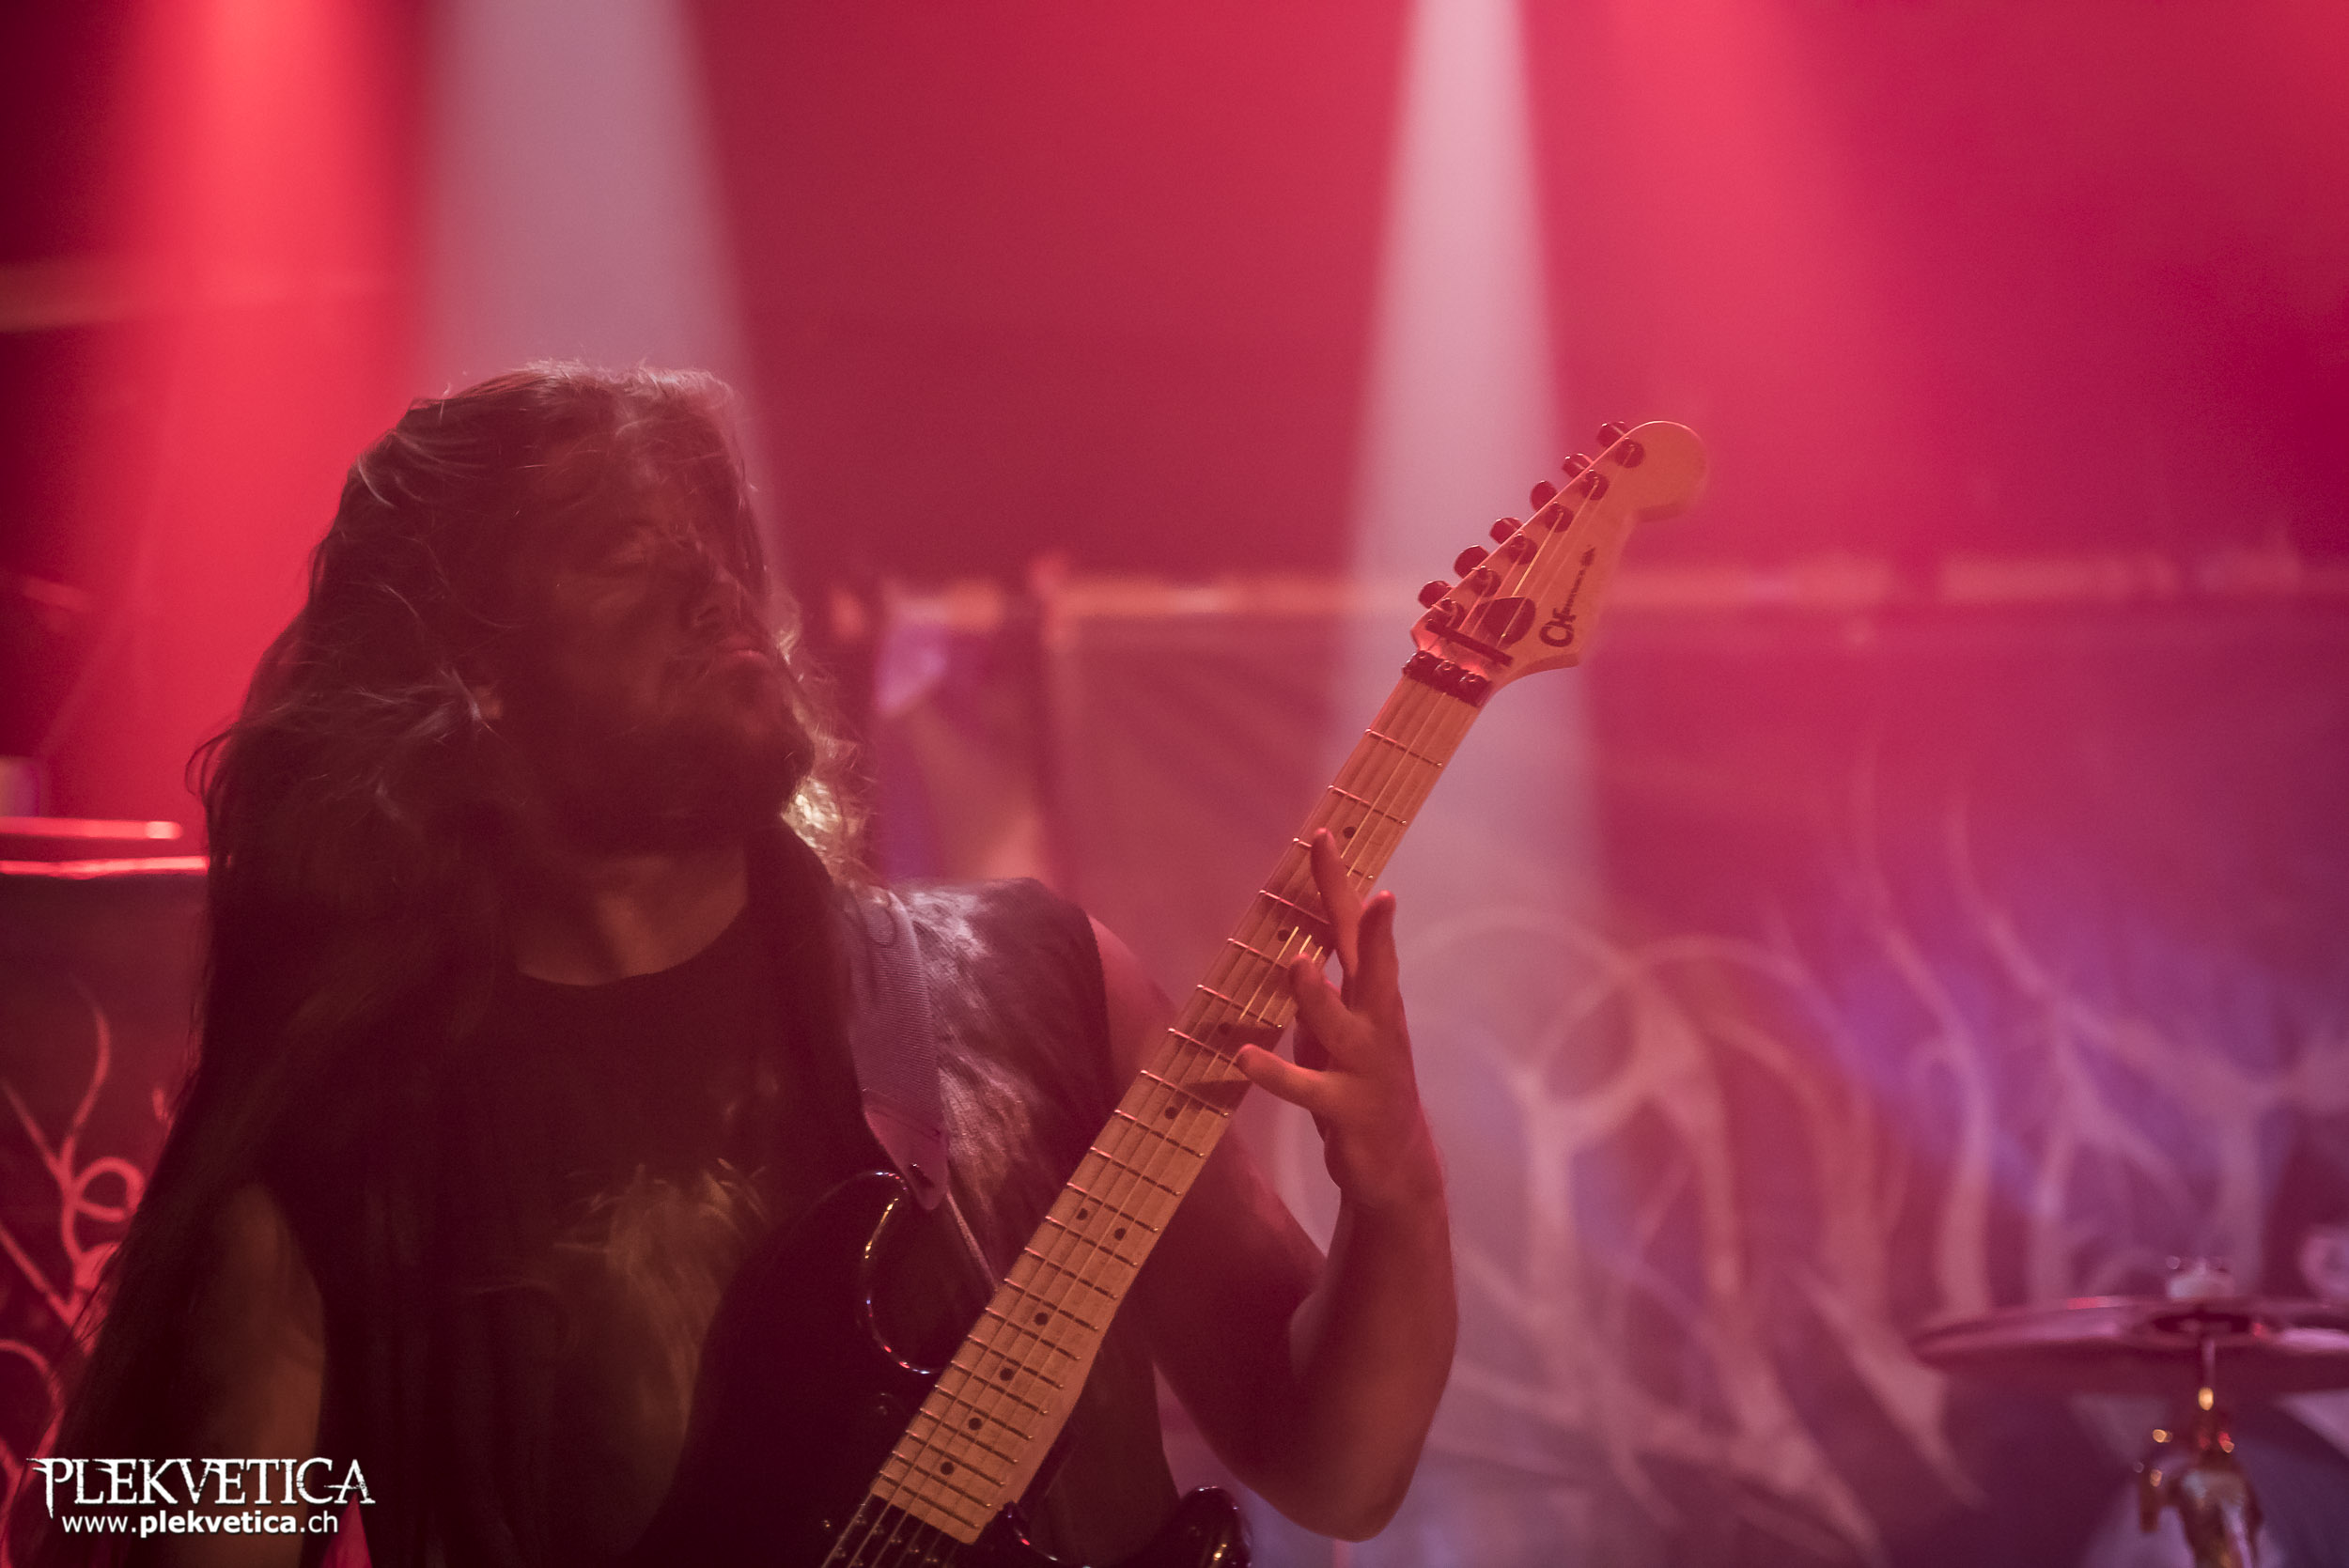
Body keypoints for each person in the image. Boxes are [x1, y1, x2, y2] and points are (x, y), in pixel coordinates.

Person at [26, 365, 1456, 1566]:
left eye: (715, 540)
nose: (712, 586)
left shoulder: (1043, 979)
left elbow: (1342, 1470)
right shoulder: (358, 1159)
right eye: (624, 551)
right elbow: (121, 1518)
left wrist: (1396, 1187)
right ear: (472, 676)